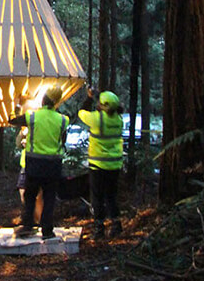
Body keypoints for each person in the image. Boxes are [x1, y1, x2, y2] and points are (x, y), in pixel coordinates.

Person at [9, 86, 70, 240]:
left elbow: (12, 120)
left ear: (43, 100)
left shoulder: (32, 116)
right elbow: (63, 141)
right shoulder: (63, 120)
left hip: (34, 165)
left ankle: (28, 226)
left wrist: (16, 104)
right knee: (49, 198)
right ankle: (47, 230)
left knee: (30, 196)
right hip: (54, 166)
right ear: (56, 103)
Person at [78, 88, 124, 240]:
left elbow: (81, 113)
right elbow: (108, 107)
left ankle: (99, 228)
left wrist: (89, 98)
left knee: (97, 197)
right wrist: (98, 97)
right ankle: (116, 225)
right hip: (114, 165)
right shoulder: (118, 119)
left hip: (98, 166)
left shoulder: (97, 119)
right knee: (111, 196)